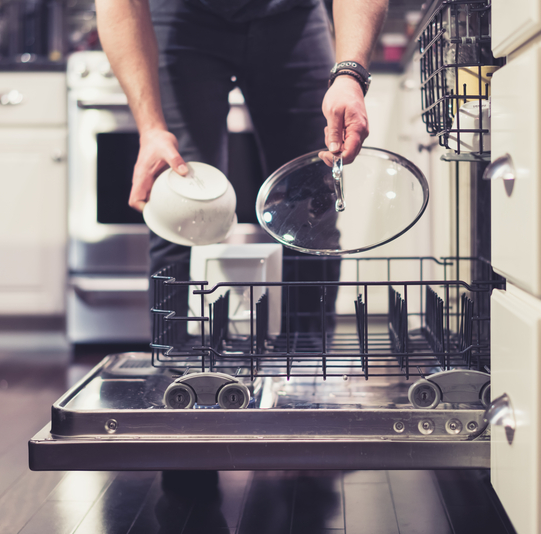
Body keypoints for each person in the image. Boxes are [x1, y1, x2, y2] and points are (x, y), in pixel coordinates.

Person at [96, 0, 388, 329]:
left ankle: (306, 364)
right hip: (183, 19)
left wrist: (349, 76)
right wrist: (150, 129)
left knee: (311, 206)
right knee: (181, 207)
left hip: (293, 16)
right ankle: (180, 366)